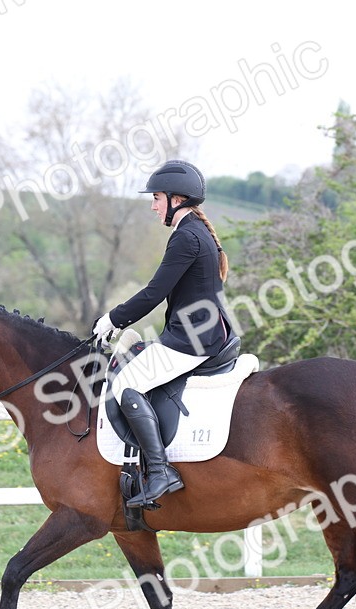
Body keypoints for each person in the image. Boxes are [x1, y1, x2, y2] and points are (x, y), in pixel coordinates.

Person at [92, 159, 234, 508]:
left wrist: (113, 319)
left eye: (156, 197)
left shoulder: (186, 237)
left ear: (177, 199)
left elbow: (154, 292)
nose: (153, 205)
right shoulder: (194, 233)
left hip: (191, 340)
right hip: (198, 333)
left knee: (126, 385)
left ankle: (159, 471)